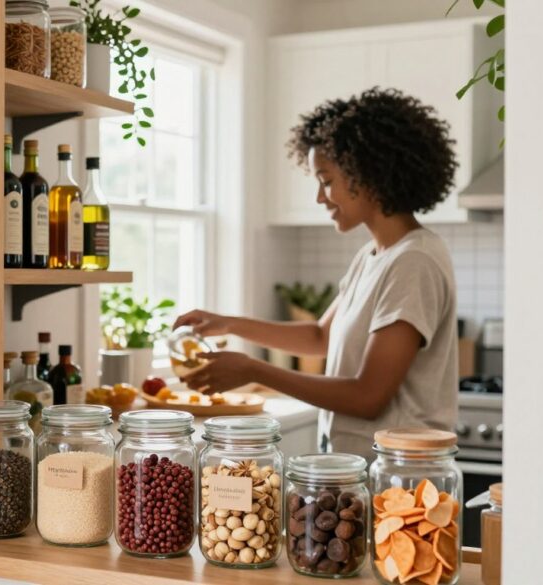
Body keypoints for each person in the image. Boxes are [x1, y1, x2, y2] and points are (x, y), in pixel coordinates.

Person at [175, 87, 459, 459]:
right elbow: (319, 336)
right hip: (362, 467)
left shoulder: (413, 262)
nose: (320, 198)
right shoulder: (373, 256)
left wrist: (254, 370)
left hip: (400, 484)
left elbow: (368, 396)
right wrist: (229, 324)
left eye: (326, 180)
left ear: (368, 174)